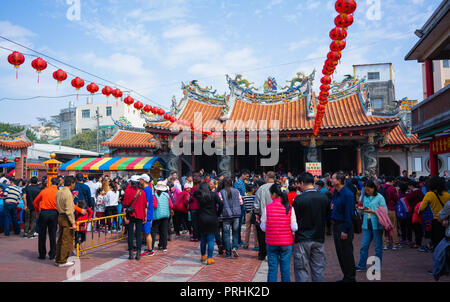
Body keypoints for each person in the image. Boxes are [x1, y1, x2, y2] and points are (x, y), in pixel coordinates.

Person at [292, 172, 330, 282]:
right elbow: (327, 215)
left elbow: (294, 218)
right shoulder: (323, 198)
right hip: (318, 237)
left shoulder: (299, 199)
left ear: (302, 183)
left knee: (301, 269)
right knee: (318, 269)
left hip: (302, 238)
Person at [261, 183, 297, 282]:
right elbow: (294, 227)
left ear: (273, 194)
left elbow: (263, 227)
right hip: (286, 243)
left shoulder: (267, 208)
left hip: (271, 242)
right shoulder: (289, 207)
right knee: (285, 270)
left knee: (272, 269)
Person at [355, 180, 388, 272]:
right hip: (366, 224)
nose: (367, 192)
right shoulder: (365, 197)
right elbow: (362, 210)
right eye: (366, 190)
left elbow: (385, 211)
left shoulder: (380, 197)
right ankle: (362, 265)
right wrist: (360, 209)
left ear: (374, 188)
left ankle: (377, 267)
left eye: (369, 190)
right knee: (364, 246)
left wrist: (373, 212)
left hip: (377, 225)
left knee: (377, 247)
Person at [331, 171, 356, 282]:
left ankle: (350, 277)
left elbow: (349, 214)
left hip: (344, 226)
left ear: (339, 181)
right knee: (340, 253)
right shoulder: (336, 192)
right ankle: (346, 276)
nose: (331, 180)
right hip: (336, 225)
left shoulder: (348, 194)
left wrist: (345, 230)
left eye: (333, 178)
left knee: (346, 253)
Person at [195, 182, 223, 265]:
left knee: (203, 239)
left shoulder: (199, 195)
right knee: (211, 239)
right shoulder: (213, 195)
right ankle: (209, 258)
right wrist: (218, 213)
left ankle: (203, 256)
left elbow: (194, 193)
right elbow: (221, 204)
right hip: (212, 218)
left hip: (202, 219)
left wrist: (200, 189)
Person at [419, 176, 449, 250]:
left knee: (437, 243)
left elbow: (422, 208)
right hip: (446, 221)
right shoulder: (447, 195)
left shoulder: (429, 194)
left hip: (435, 221)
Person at [33, 178, 60, 260]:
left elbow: (35, 202)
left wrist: (38, 212)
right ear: (58, 184)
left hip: (43, 213)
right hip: (54, 214)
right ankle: (52, 254)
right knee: (52, 235)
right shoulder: (58, 192)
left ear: (50, 183)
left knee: (42, 234)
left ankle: (42, 254)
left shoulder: (44, 191)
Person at [122, 175, 147, 260]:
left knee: (130, 235)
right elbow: (145, 205)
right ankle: (138, 254)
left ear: (131, 182)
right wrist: (145, 216)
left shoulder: (127, 191)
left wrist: (124, 217)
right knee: (138, 235)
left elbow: (125, 205)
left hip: (130, 215)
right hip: (140, 215)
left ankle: (131, 254)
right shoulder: (142, 192)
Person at [55, 176, 77, 267]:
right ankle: (63, 260)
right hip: (66, 218)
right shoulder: (68, 193)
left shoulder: (59, 191)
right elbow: (69, 210)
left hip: (60, 215)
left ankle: (59, 258)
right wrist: (73, 223)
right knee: (67, 239)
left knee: (60, 239)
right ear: (72, 183)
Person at [254, 171, 276, 260]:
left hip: (264, 215)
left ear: (267, 178)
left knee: (262, 236)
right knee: (275, 235)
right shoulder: (279, 188)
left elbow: (256, 204)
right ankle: (273, 253)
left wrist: (257, 214)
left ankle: (262, 253)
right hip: (276, 216)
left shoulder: (261, 188)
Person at [219, 176, 242, 258]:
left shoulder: (221, 192)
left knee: (226, 234)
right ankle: (235, 247)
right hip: (236, 215)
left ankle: (228, 253)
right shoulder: (236, 191)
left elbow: (220, 204)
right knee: (235, 233)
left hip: (226, 215)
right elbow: (241, 202)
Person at [151, 181, 173, 252]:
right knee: (164, 231)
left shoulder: (155, 195)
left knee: (154, 231)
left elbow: (154, 205)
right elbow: (171, 205)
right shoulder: (167, 195)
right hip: (166, 216)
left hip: (157, 216)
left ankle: (151, 246)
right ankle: (164, 246)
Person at [382, 176, 400, 250]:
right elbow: (396, 198)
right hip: (391, 209)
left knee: (384, 227)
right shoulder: (392, 188)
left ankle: (385, 244)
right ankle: (395, 244)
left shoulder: (381, 187)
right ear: (392, 181)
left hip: (383, 210)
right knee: (393, 226)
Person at [140, 174, 155, 257]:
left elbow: (146, 203)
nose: (139, 181)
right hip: (148, 213)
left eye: (140, 179)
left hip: (147, 214)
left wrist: (145, 215)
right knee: (146, 232)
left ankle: (150, 250)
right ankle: (148, 248)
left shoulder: (146, 190)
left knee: (147, 233)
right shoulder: (147, 189)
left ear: (143, 180)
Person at [234, 169, 249, 246]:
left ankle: (238, 239)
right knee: (238, 224)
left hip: (242, 205)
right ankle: (237, 240)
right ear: (243, 174)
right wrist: (244, 197)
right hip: (239, 206)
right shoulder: (237, 183)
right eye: (246, 176)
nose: (247, 177)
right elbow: (237, 195)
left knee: (240, 223)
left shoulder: (243, 182)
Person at [243, 184, 258, 250]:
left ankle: (246, 244)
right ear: (252, 190)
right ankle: (256, 245)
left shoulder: (245, 197)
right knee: (255, 230)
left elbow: (245, 205)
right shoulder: (254, 197)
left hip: (247, 213)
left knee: (247, 229)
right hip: (253, 214)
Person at [189, 172, 202, 242]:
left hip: (193, 207)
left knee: (194, 223)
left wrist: (189, 198)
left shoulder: (193, 188)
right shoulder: (201, 188)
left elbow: (191, 198)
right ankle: (199, 236)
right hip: (200, 207)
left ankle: (195, 236)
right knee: (199, 222)